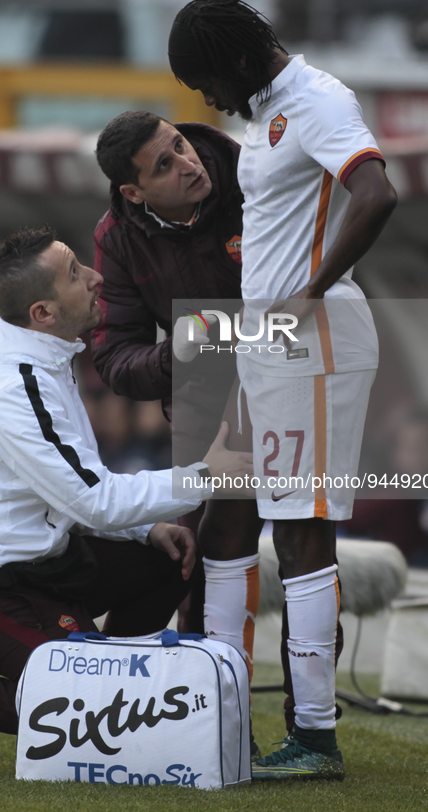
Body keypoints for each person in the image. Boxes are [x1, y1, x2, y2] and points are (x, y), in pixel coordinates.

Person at [0, 225, 253, 769]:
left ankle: (107, 674)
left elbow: (80, 490)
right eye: (75, 273)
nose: (95, 277)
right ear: (42, 312)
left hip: (48, 565)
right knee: (93, 708)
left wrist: (146, 531)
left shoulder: (45, 357)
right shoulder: (10, 389)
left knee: (168, 562)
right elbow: (92, 501)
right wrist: (208, 475)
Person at [169, 0, 397, 782]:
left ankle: (315, 736)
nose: (204, 101)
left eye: (204, 82)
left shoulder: (321, 101)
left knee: (301, 533)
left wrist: (307, 293)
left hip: (317, 338)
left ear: (235, 60)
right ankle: (217, 705)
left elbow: (377, 195)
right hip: (265, 341)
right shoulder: (264, 114)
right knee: (232, 517)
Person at [93, 112, 264, 690]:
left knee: (304, 542)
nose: (188, 163)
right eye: (165, 164)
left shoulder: (255, 178)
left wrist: (217, 336)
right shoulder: (116, 239)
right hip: (201, 398)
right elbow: (115, 360)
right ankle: (187, 706)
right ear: (133, 193)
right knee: (188, 556)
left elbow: (313, 297)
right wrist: (183, 355)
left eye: (181, 145)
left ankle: (310, 724)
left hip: (293, 373)